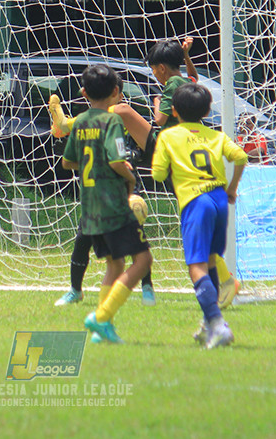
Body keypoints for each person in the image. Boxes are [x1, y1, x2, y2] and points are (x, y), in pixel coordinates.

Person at [49, 37, 241, 308]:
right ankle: (225, 279)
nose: (153, 73)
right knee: (198, 234)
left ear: (160, 68)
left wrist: (157, 100)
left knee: (124, 110)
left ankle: (65, 125)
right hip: (179, 154)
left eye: (153, 69)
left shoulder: (171, 85)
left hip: (165, 144)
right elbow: (194, 76)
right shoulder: (184, 81)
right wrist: (185, 56)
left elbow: (160, 120)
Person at [151, 81, 248, 348]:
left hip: (196, 201)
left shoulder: (168, 137)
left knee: (196, 266)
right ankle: (208, 323)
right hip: (219, 199)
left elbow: (158, 175)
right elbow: (241, 157)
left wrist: (172, 168)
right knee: (211, 261)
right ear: (207, 112)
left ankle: (218, 325)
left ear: (173, 111)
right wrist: (232, 188)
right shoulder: (216, 136)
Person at [61, 65, 153, 344]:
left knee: (115, 265)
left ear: (84, 93)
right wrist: (128, 173)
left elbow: (67, 162)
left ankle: (104, 328)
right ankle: (101, 316)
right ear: (116, 92)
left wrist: (93, 161)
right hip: (113, 202)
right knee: (143, 259)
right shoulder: (111, 121)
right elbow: (116, 160)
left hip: (89, 204)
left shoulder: (80, 122)